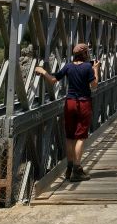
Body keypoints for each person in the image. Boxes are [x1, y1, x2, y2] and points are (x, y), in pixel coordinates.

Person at [35, 43, 99, 182]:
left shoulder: (68, 66)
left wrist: (42, 71)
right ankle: (77, 169)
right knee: (80, 136)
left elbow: (53, 80)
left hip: (69, 103)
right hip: (83, 103)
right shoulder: (88, 67)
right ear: (85, 54)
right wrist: (96, 69)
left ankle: (69, 167)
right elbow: (94, 86)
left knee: (70, 136)